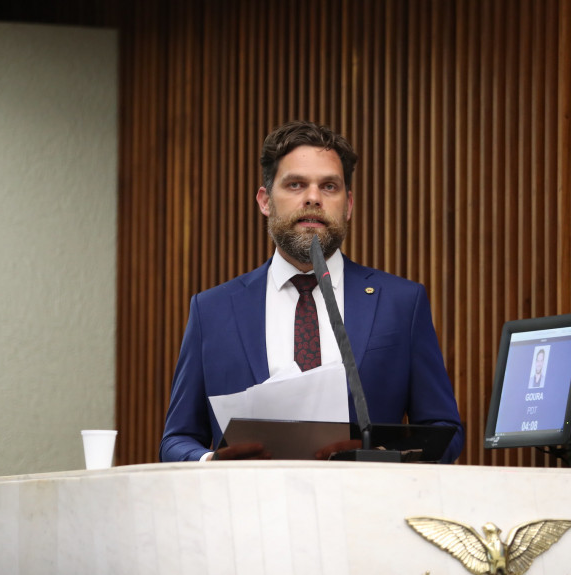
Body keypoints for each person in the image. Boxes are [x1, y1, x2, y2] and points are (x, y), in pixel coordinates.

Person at [159, 120, 464, 463]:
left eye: (329, 186)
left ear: (348, 204)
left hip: (361, 509)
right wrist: (212, 463)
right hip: (247, 509)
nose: (313, 198)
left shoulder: (401, 304)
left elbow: (445, 430)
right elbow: (177, 439)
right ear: (265, 201)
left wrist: (379, 459)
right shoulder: (212, 310)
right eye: (295, 184)